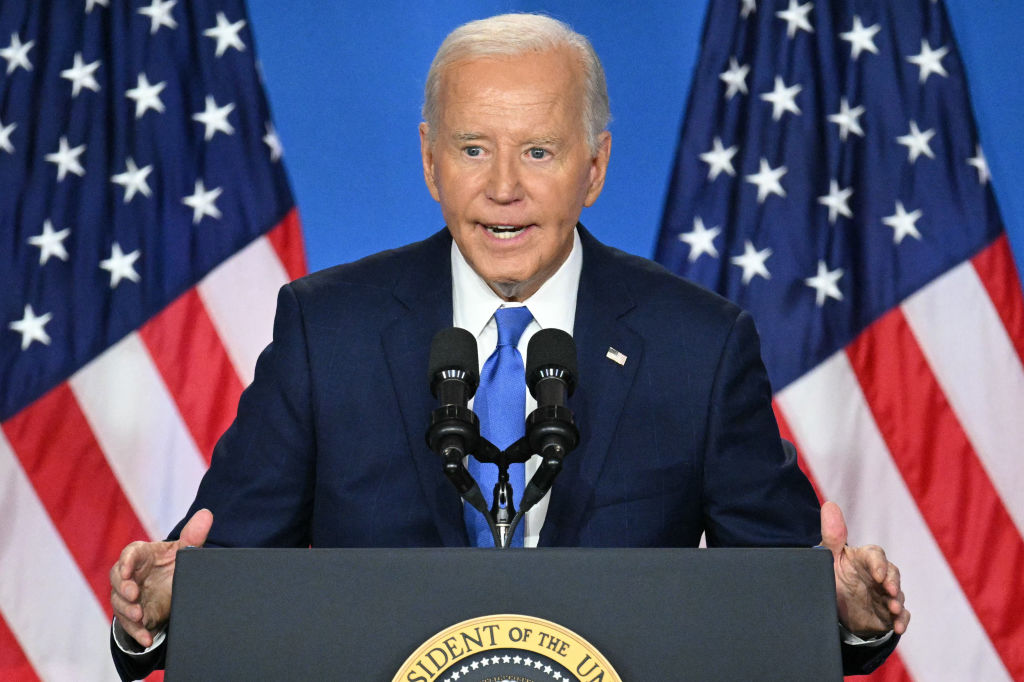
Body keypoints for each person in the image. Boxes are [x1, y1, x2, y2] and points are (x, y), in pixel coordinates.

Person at [109, 13, 909, 679]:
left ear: (593, 167)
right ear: (429, 159)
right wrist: (161, 607)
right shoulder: (330, 330)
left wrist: (844, 612)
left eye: (537, 151)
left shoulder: (695, 345)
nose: (502, 188)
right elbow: (219, 575)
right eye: (470, 149)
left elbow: (781, 591)